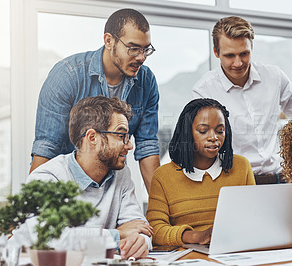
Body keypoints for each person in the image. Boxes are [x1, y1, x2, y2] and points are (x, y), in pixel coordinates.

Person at [30, 8, 160, 192]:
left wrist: (161, 208)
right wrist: (30, 208)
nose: (141, 57)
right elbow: (47, 148)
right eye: (133, 48)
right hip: (67, 188)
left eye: (146, 49)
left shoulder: (147, 82)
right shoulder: (68, 75)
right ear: (109, 41)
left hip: (113, 186)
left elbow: (147, 146)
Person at [20, 96, 152, 259]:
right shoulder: (47, 177)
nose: (130, 145)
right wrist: (117, 235)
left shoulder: (121, 174)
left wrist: (141, 242)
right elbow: (54, 241)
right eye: (121, 135)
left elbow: (140, 228)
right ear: (92, 138)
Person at [192, 16, 292, 184]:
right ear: (216, 52)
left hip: (280, 178)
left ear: (251, 47)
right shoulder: (204, 91)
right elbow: (202, 146)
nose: (238, 63)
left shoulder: (274, 77)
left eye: (244, 54)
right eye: (230, 55)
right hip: (234, 183)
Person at [146, 98, 255, 246]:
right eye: (203, 131)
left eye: (220, 131)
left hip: (235, 250)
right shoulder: (163, 176)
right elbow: (155, 231)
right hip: (187, 256)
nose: (213, 137)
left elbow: (253, 218)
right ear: (187, 133)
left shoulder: (241, 167)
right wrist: (195, 236)